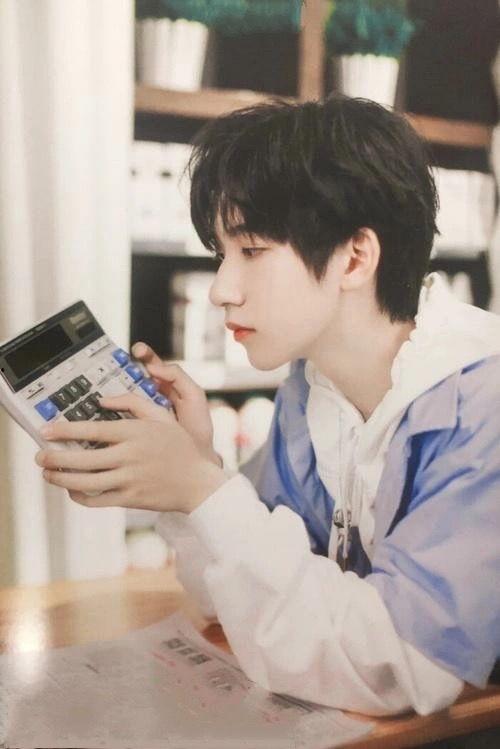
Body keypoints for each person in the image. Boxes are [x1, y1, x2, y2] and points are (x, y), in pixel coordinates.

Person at [36, 95, 500, 717]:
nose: (221, 290)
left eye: (251, 251)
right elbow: (233, 601)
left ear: (355, 257)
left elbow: (405, 668)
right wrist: (194, 471)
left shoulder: (481, 403)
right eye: (221, 255)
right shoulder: (314, 389)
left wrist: (203, 491)